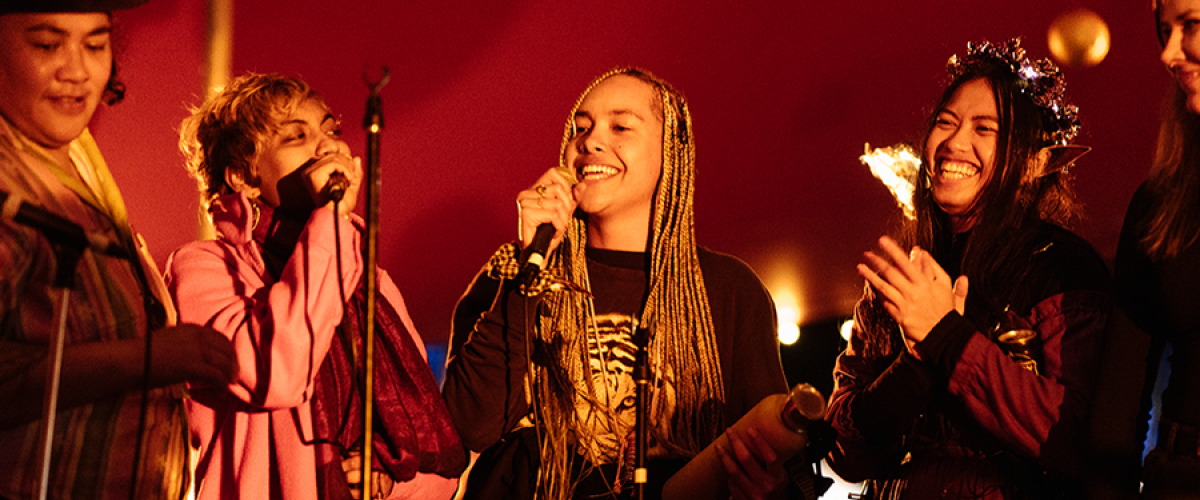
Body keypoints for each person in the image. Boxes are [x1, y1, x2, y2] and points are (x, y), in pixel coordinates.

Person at [442, 68, 789, 500]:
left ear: (670, 151)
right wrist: (528, 275)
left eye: (620, 126)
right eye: (580, 128)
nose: (590, 140)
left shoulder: (729, 290)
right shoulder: (511, 275)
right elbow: (466, 427)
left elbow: (774, 454)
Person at [823, 39, 1111, 499]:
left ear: (1035, 162)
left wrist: (946, 336)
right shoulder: (903, 273)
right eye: (946, 122)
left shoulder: (1061, 267)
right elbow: (846, 455)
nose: (955, 142)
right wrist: (915, 365)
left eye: (985, 129)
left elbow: (1077, 438)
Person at [167, 73, 465, 500]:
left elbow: (436, 456)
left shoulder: (366, 275)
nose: (326, 146)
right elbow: (278, 373)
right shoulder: (206, 268)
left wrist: (391, 479)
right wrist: (331, 220)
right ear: (242, 177)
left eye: (330, 130)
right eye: (297, 136)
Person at [0, 1, 239, 500]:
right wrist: (144, 359)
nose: (77, 70)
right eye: (46, 44)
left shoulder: (73, 148)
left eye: (95, 44)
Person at [1095, 0, 1200, 497]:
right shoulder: (1162, 200)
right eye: (1165, 32)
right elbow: (1117, 407)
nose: (1169, 53)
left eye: (1192, 26)